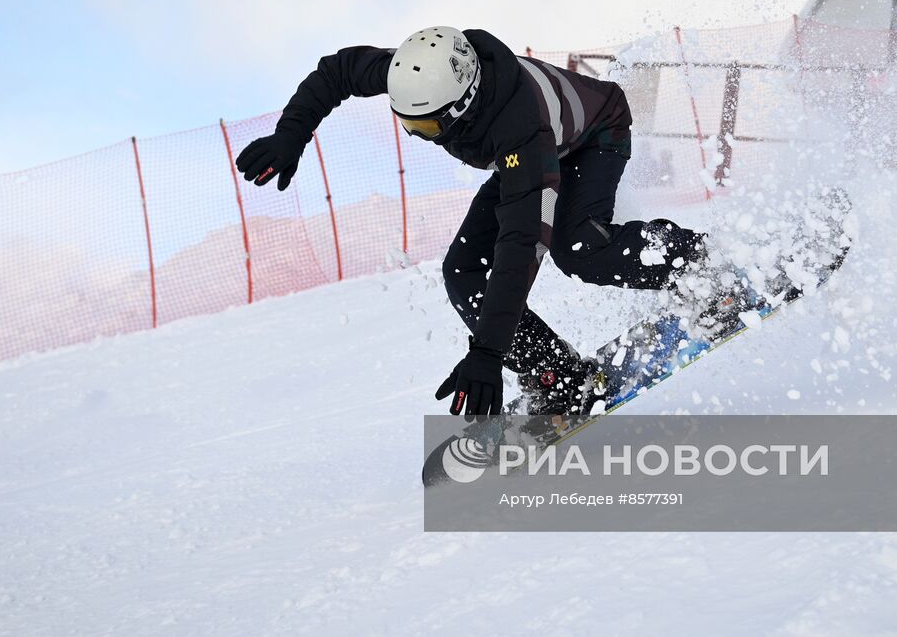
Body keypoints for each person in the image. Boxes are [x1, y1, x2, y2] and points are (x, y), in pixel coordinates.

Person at [235, 26, 712, 419]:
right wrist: (290, 135)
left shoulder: (517, 129)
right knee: (462, 269)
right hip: (532, 151)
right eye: (406, 122)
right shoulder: (428, 71)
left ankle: (701, 264)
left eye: (424, 127)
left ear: (461, 107)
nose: (416, 135)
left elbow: (523, 243)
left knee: (579, 247)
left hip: (594, 135)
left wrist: (486, 354)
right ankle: (558, 374)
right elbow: (338, 72)